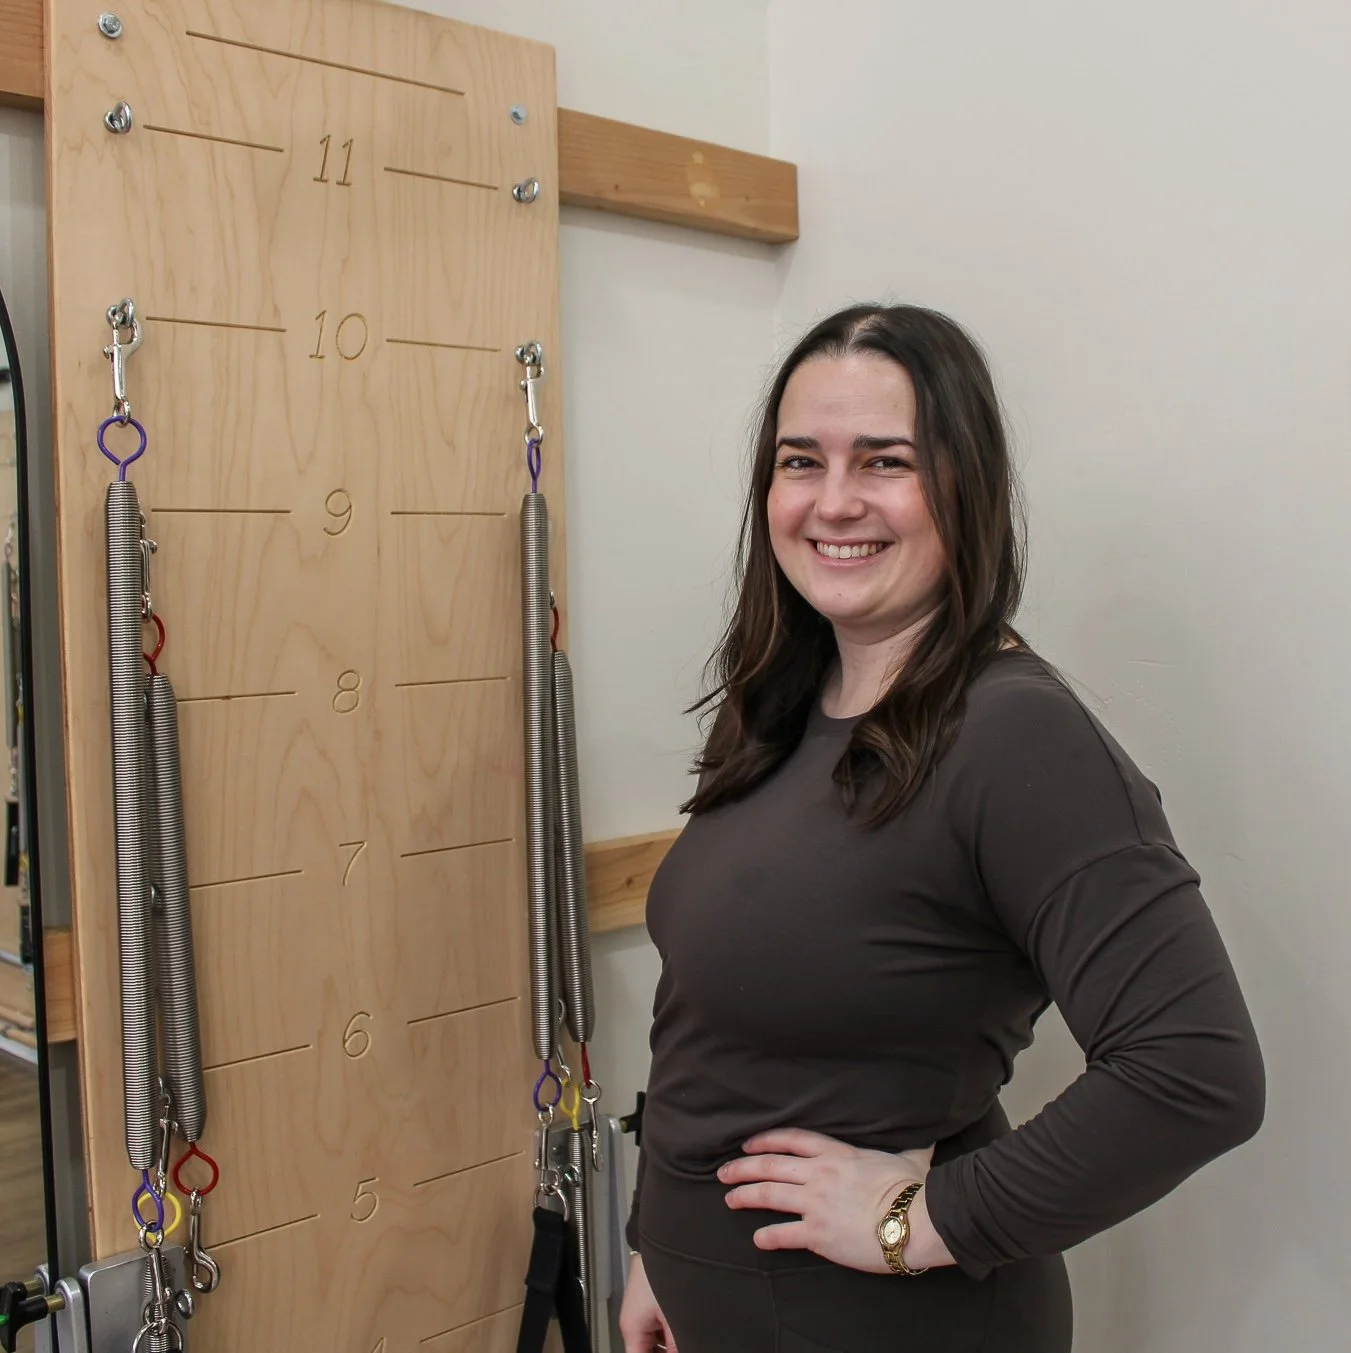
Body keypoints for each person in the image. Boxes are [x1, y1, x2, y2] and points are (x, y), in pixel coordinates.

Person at [617, 304, 1264, 1353]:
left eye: (883, 462)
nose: (833, 501)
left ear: (965, 485)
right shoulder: (784, 708)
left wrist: (918, 1221)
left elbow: (1194, 1073)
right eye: (799, 461)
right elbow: (711, 1029)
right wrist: (658, 1244)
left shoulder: (1018, 739)